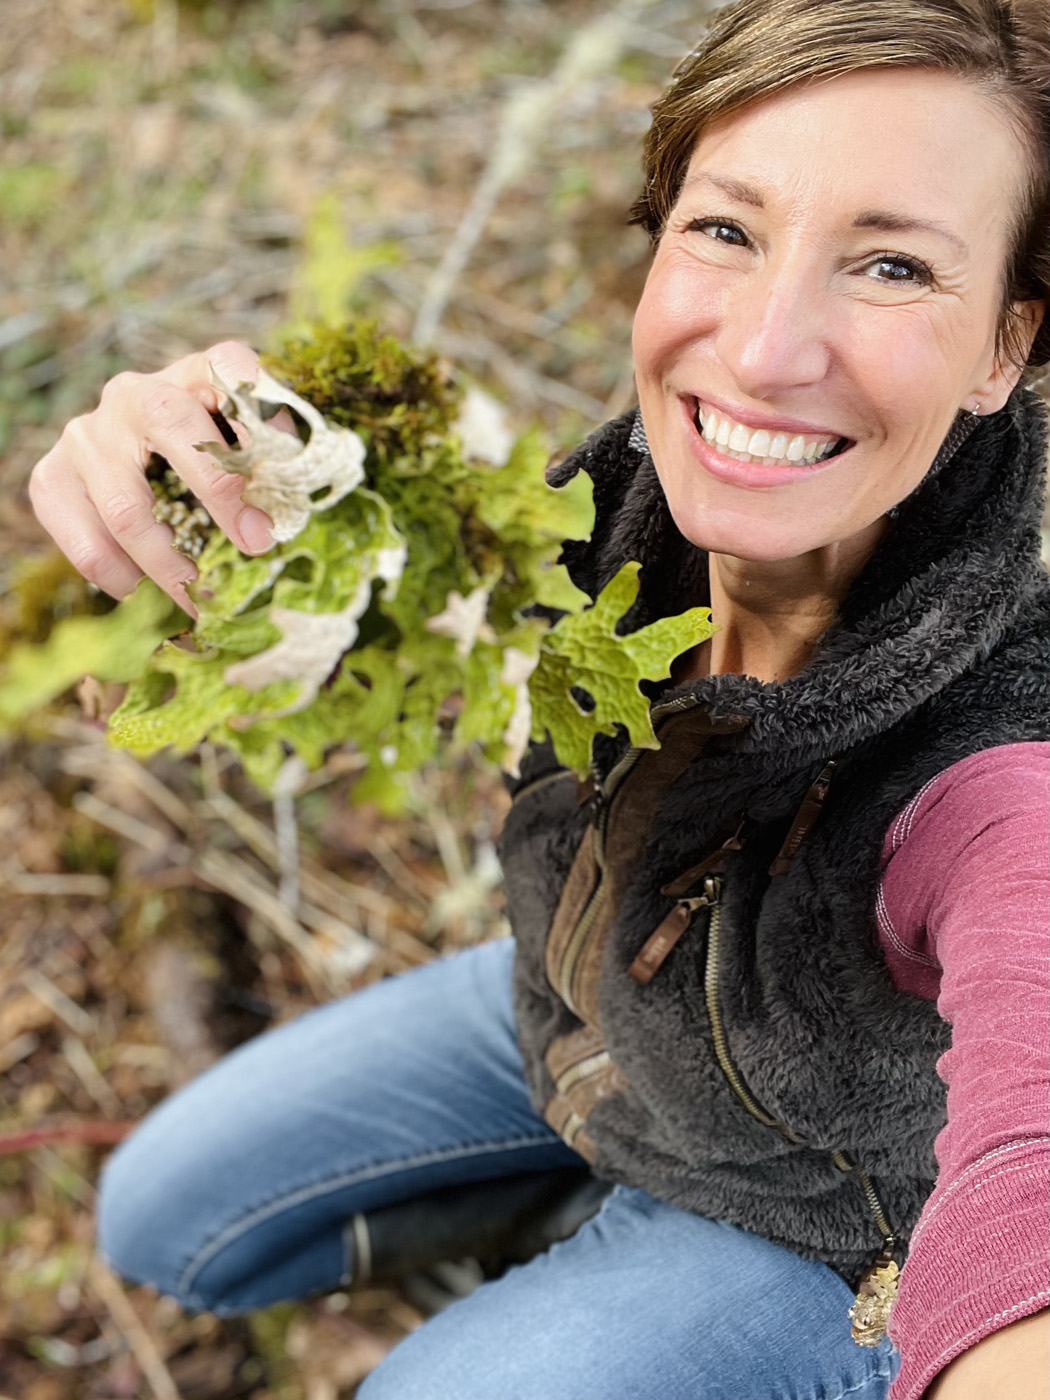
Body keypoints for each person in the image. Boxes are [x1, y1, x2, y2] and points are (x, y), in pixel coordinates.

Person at [27, 0, 1049, 1396]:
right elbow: (274, 596)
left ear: (1004, 342)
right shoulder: (580, 521)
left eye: (888, 265)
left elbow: (1030, 1173)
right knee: (167, 1223)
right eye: (725, 228)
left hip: (828, 1212)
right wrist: (179, 479)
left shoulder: (1003, 777)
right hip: (588, 1014)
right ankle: (586, 1242)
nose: (760, 352)